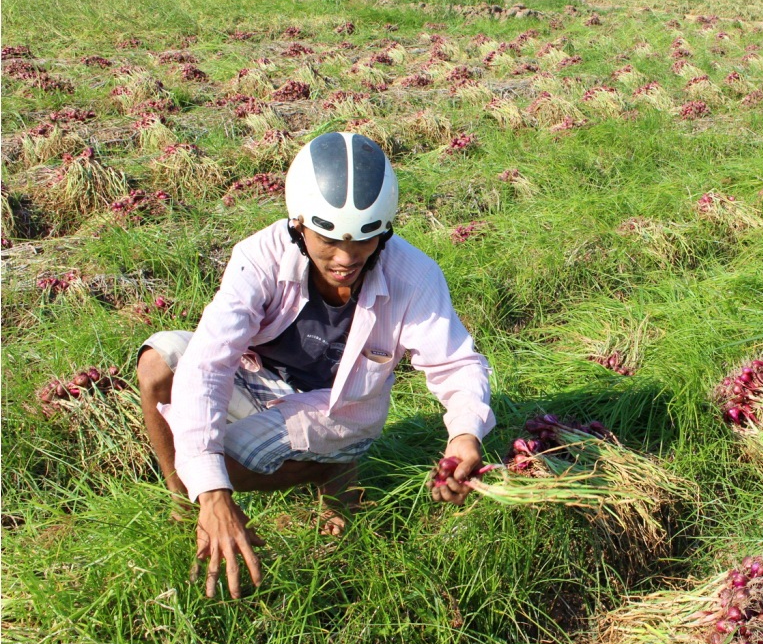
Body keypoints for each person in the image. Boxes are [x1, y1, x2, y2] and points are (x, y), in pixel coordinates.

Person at [137, 132, 495, 599]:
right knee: (159, 366)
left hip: (339, 410)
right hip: (262, 378)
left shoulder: (413, 274)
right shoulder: (260, 257)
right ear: (298, 225)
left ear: (385, 232)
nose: (346, 259)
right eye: (328, 239)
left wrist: (464, 435)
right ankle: (189, 509)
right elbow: (209, 362)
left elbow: (456, 363)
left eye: (365, 241)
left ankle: (331, 469)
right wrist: (210, 494)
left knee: (222, 461)